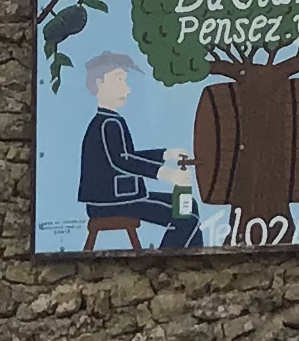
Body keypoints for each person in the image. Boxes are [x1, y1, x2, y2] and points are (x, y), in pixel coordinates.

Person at [72, 54, 202, 250]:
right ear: (99, 83)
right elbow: (122, 161)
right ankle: (167, 262)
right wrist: (166, 173)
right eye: (119, 79)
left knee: (188, 205)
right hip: (109, 202)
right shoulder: (108, 122)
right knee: (185, 217)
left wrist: (165, 154)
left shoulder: (109, 121)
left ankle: (192, 259)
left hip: (121, 197)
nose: (127, 88)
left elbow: (127, 156)